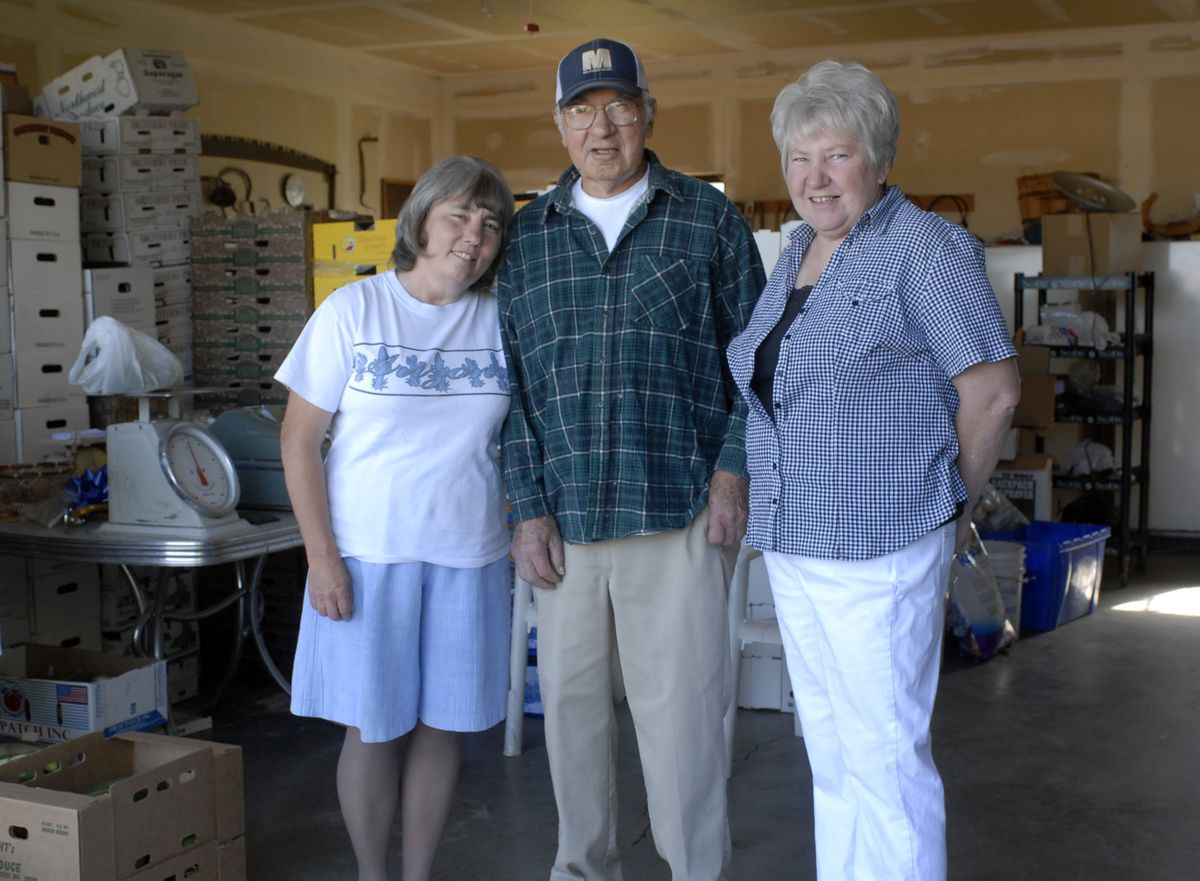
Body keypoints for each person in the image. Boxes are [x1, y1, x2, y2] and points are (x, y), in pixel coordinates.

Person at [727, 60, 1021, 881]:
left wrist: (950, 507)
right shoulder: (796, 254)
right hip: (795, 540)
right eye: (799, 158)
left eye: (837, 154)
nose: (815, 178)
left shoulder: (924, 248)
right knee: (832, 753)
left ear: (881, 159)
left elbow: (992, 393)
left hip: (880, 547)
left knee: (886, 763)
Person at [498, 36, 765, 881]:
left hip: (679, 509)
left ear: (648, 113)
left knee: (682, 721)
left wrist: (734, 472)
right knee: (572, 719)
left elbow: (756, 361)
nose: (601, 127)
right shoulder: (526, 236)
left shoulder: (706, 217)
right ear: (559, 124)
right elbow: (509, 389)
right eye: (582, 110)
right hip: (565, 524)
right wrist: (524, 506)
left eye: (618, 107)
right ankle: (584, 872)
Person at [276, 155, 515, 881]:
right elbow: (298, 439)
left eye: (491, 223)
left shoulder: (503, 320)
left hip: (470, 554)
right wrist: (321, 557)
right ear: (419, 221)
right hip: (367, 557)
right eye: (458, 216)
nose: (473, 237)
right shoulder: (355, 310)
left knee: (445, 728)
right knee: (374, 727)